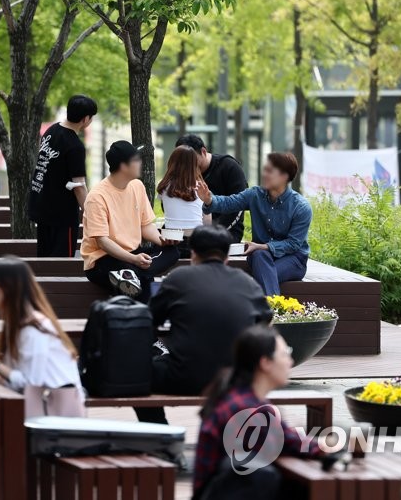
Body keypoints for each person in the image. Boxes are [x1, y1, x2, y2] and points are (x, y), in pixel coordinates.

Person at [137, 226, 272, 425]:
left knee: (135, 374)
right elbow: (264, 322)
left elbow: (149, 321)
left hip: (184, 377)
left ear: (193, 253)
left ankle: (162, 436)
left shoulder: (178, 278)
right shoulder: (248, 284)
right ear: (226, 255)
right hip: (235, 380)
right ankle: (227, 433)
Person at [193, 325, 322, 500]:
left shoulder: (237, 396)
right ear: (265, 363)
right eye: (285, 354)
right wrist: (328, 446)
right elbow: (288, 442)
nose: (290, 362)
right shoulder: (247, 408)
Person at [0, 258, 82, 408]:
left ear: (9, 288)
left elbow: (31, 385)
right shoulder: (17, 324)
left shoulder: (35, 329)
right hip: (40, 411)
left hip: (57, 420)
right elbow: (15, 381)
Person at [198, 152, 311, 296]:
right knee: (259, 256)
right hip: (261, 257)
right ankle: (272, 311)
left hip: (293, 259)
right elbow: (229, 202)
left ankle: (268, 308)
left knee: (265, 274)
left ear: (284, 176)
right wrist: (209, 200)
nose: (264, 174)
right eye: (265, 169)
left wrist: (263, 246)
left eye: (269, 171)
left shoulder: (301, 207)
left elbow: (293, 244)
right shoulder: (255, 194)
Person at [81, 141, 179, 303]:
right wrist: (133, 260)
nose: (140, 162)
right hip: (103, 260)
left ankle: (134, 275)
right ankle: (134, 276)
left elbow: (145, 226)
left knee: (172, 251)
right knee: (134, 277)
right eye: (136, 159)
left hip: (133, 254)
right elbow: (103, 242)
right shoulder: (97, 197)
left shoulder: (137, 186)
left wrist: (163, 241)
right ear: (124, 166)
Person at [29, 95, 98, 257]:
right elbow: (79, 186)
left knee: (44, 259)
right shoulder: (75, 146)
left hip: (41, 206)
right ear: (85, 119)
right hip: (62, 214)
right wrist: (91, 213)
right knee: (61, 263)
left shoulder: (51, 130)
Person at [176, 135, 248, 242]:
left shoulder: (229, 166)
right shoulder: (182, 171)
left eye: (192, 160)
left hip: (225, 231)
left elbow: (239, 207)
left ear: (203, 152)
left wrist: (210, 232)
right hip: (189, 231)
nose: (188, 166)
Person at [156, 145, 210, 255]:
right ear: (194, 165)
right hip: (195, 244)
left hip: (172, 243)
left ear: (172, 162)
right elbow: (207, 223)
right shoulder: (201, 188)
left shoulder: (164, 186)